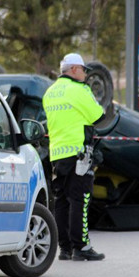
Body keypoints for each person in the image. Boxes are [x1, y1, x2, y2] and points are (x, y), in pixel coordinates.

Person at [42, 53, 106, 261]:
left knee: (61, 201)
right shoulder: (79, 90)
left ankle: (65, 248)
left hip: (56, 154)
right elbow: (98, 116)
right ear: (74, 69)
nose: (86, 74)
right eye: (84, 70)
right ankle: (82, 247)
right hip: (78, 154)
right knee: (81, 199)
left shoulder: (50, 92)